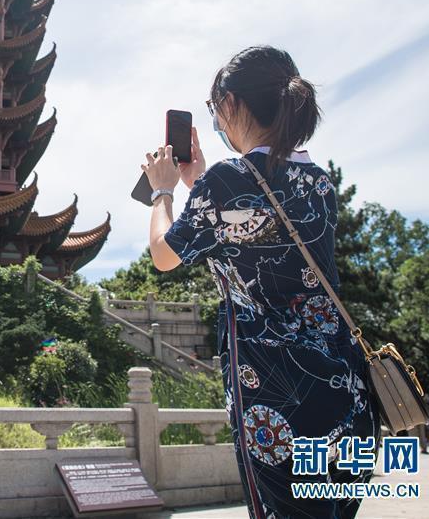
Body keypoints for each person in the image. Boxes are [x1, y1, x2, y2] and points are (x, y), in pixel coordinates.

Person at [142, 46, 379, 519]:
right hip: (344, 394)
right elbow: (258, 226)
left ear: (231, 104)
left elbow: (165, 254)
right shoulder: (319, 181)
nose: (217, 121)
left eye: (215, 110)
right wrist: (201, 184)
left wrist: (163, 189)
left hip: (275, 398)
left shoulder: (229, 180)